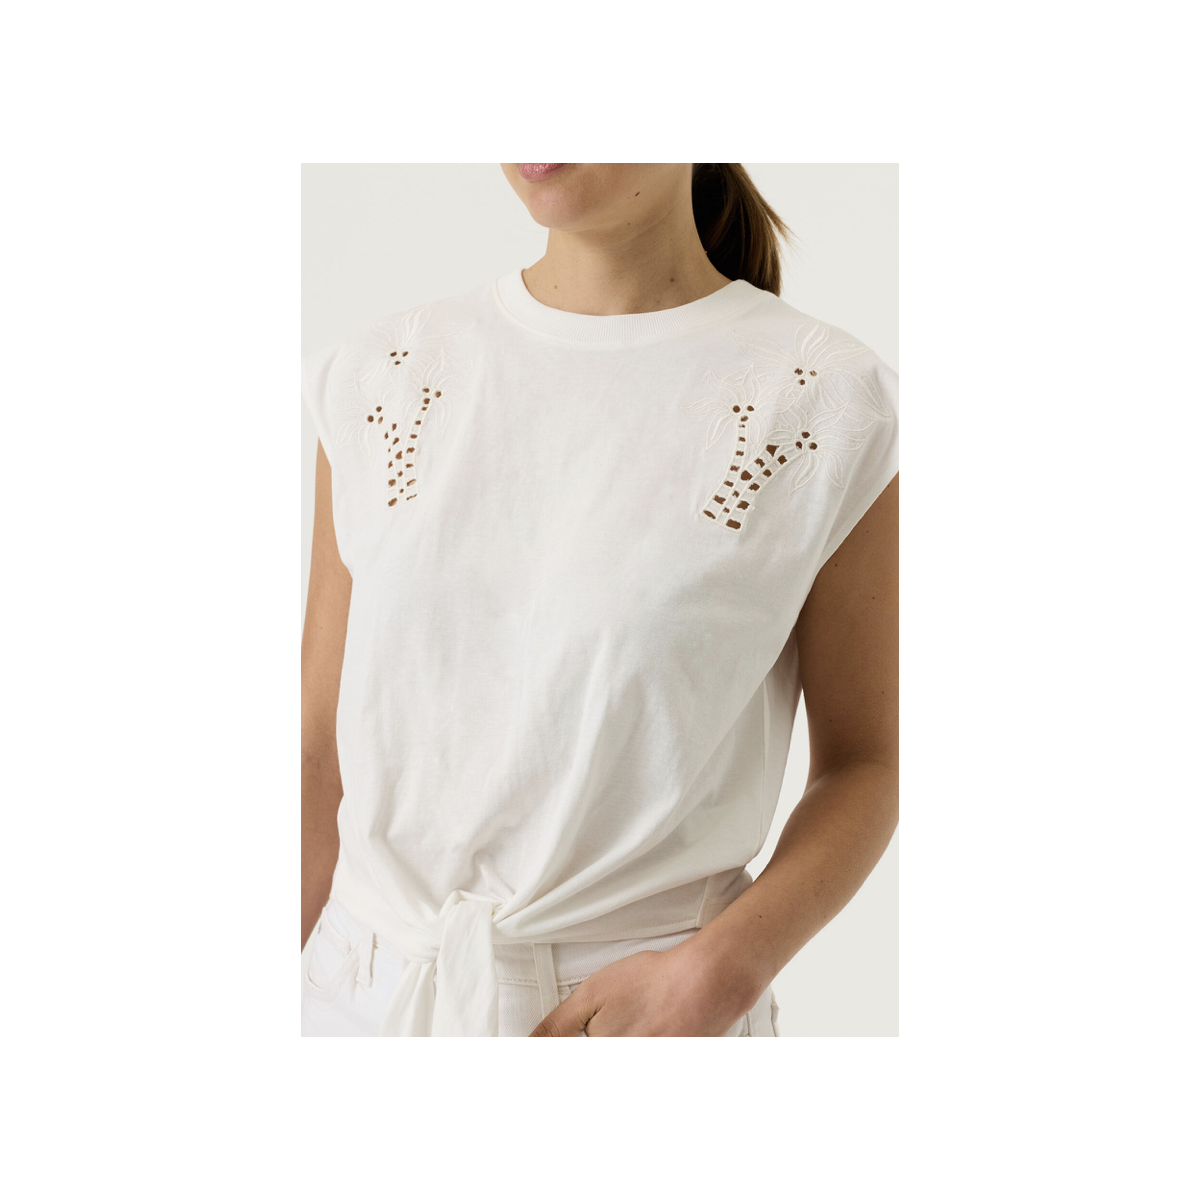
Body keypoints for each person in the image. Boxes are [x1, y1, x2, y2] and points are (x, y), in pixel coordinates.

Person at [300, 163, 899, 1037]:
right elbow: (316, 758)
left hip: (640, 1021)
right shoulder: (382, 376)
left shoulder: (826, 400)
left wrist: (729, 967)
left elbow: (868, 762)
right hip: (350, 1000)